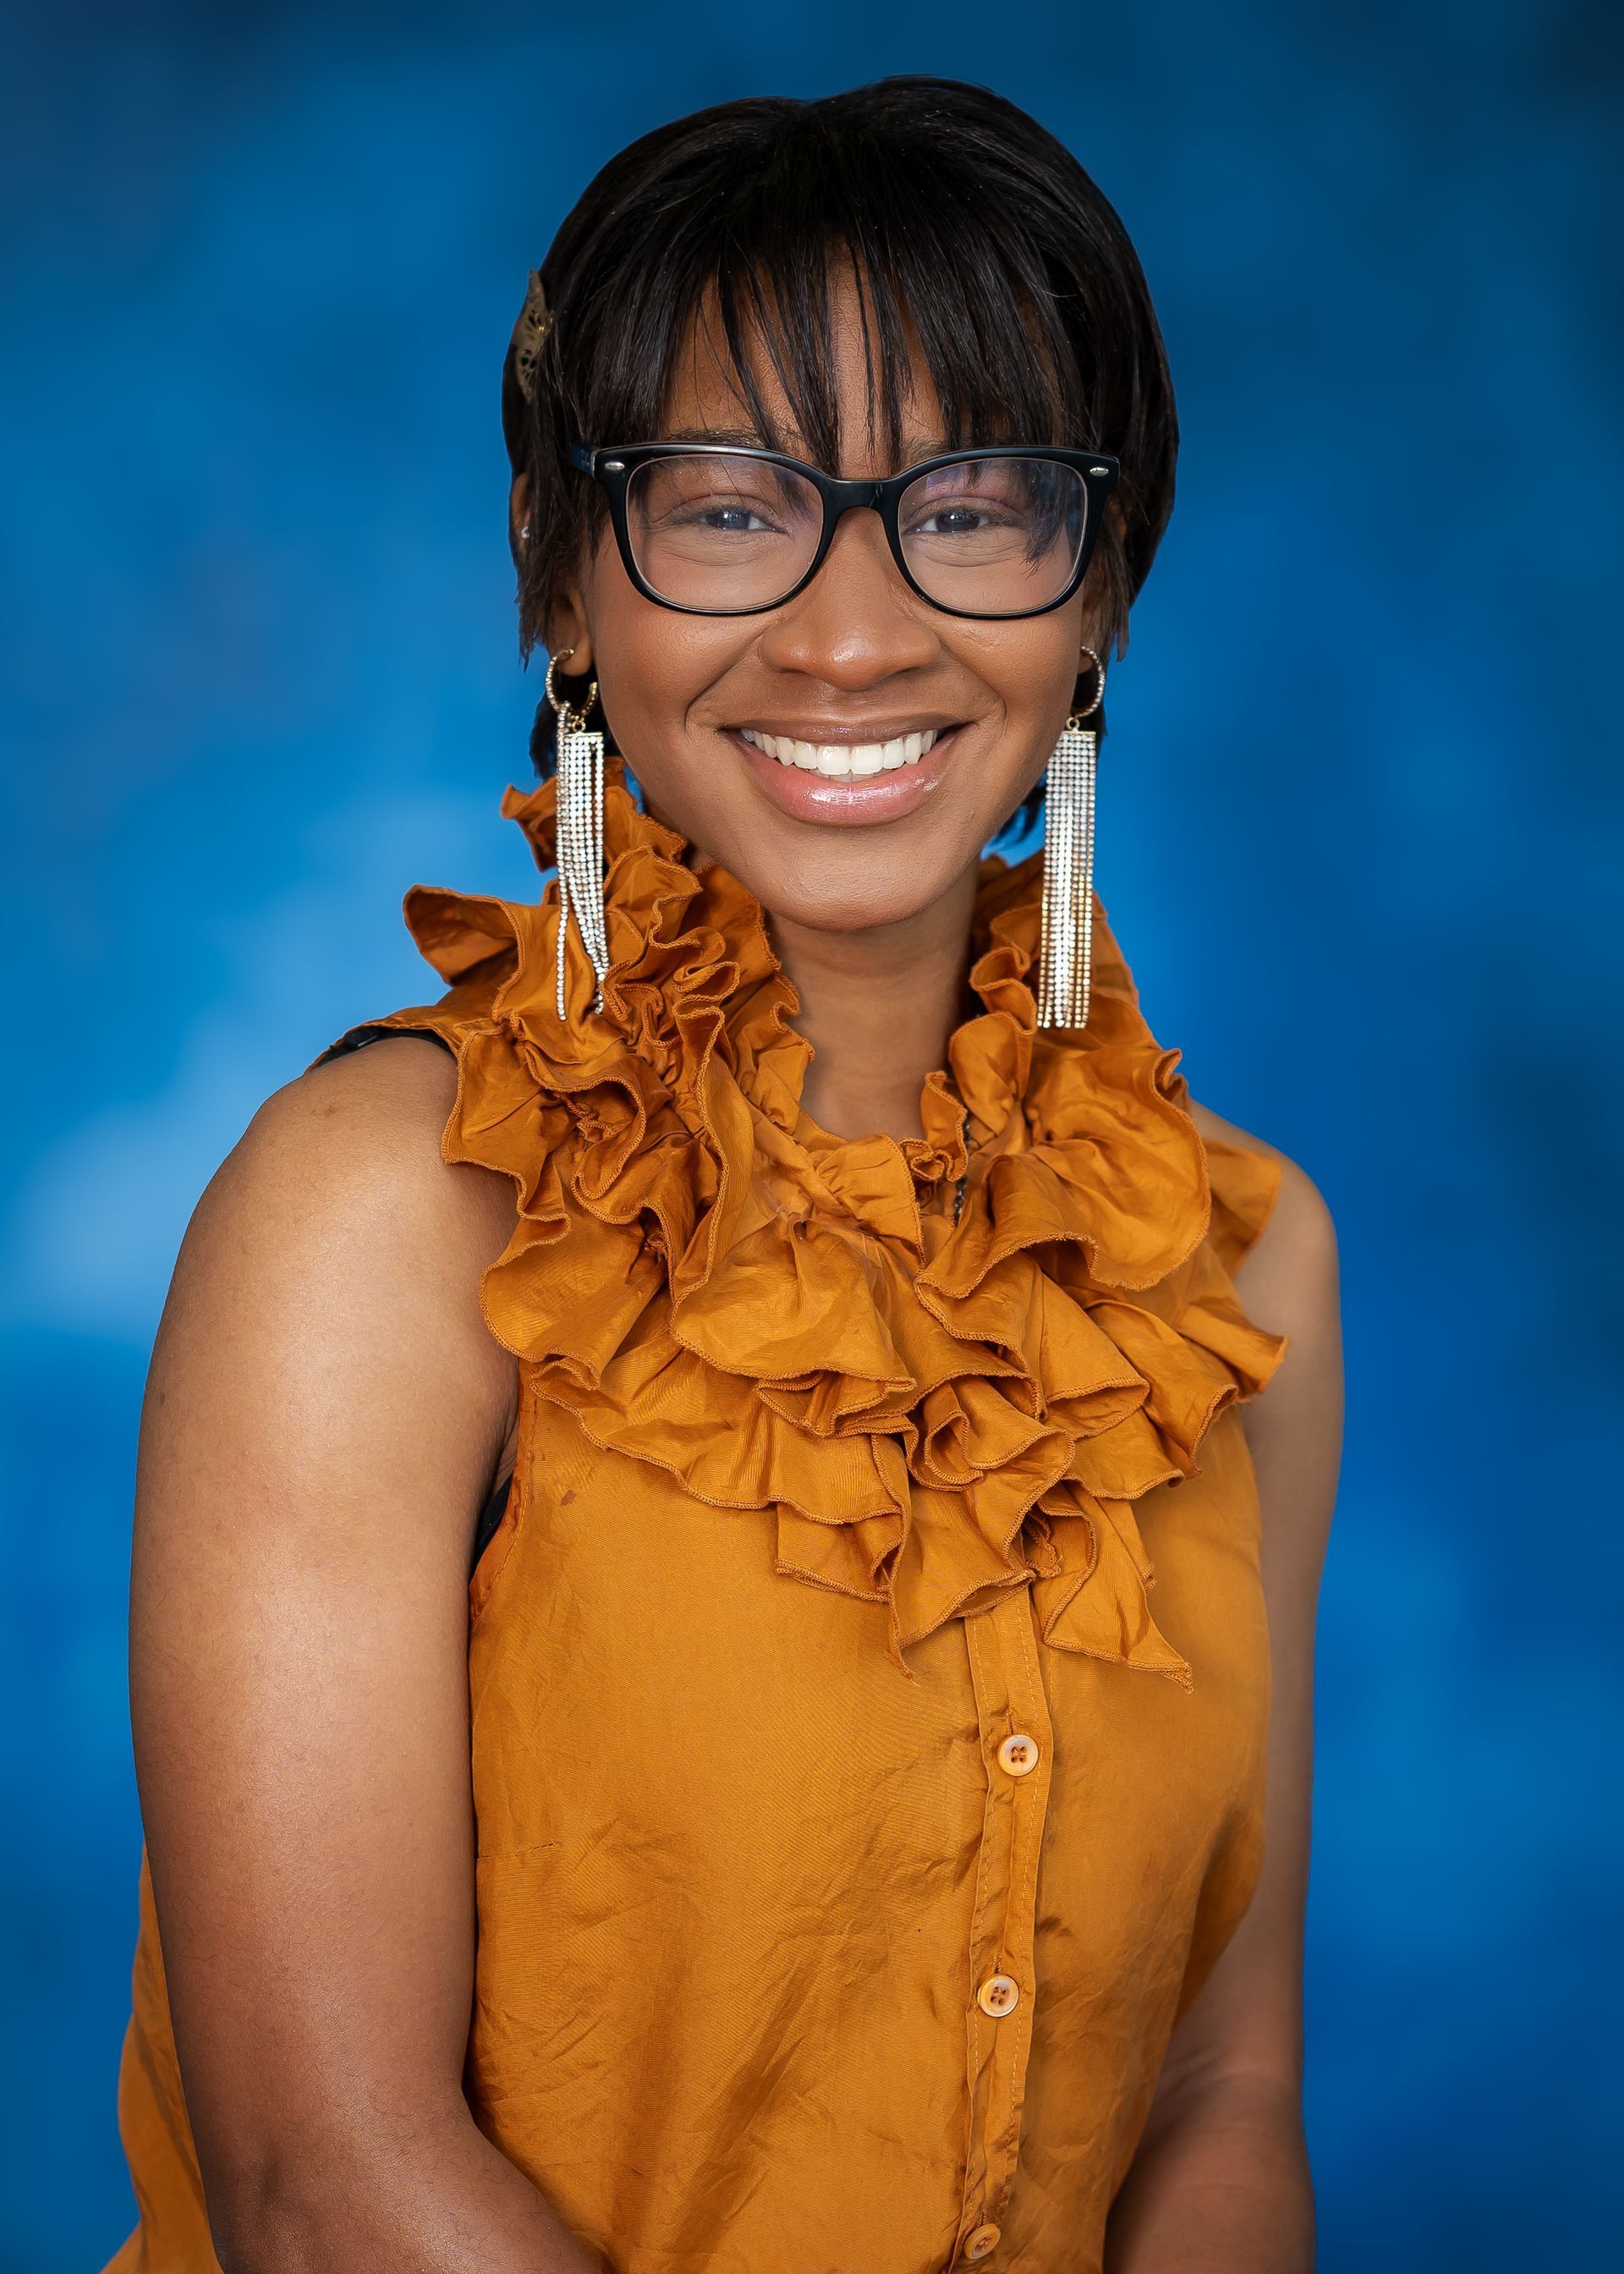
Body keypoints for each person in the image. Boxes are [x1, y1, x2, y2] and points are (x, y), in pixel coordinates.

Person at [102, 75, 1342, 2274]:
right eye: (725, 500)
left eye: (968, 505)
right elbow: (321, 2189)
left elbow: (1225, 2101)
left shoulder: (1249, 1266)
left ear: (1105, 589)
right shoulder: (374, 1220)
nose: (849, 633)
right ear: (562, 582)